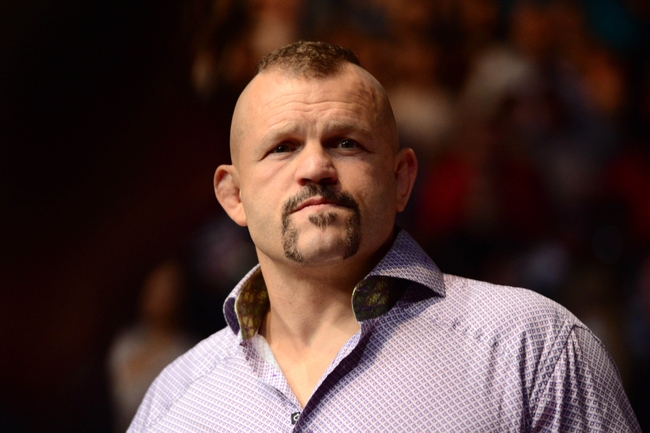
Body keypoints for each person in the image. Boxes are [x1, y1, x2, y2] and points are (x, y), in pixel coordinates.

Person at [128, 41, 640, 432]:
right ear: (233, 196)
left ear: (401, 179)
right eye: (282, 147)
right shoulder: (173, 402)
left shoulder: (532, 351)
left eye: (346, 142)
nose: (316, 167)